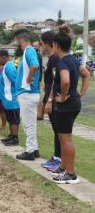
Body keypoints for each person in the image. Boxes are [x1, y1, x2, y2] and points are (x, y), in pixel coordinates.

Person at [51, 26, 90, 184]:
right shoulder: (73, 59)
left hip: (66, 104)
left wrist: (65, 96)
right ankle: (63, 166)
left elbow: (65, 80)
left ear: (57, 46)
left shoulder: (63, 62)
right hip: (74, 102)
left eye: (53, 45)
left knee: (66, 139)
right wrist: (80, 93)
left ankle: (71, 174)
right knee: (62, 137)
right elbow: (86, 74)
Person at [14, 29, 41, 161]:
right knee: (31, 123)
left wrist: (29, 78)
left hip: (27, 93)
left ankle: (30, 151)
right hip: (28, 93)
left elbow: (34, 65)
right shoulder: (29, 51)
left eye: (17, 41)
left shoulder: (29, 50)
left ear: (21, 40)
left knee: (28, 124)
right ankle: (34, 149)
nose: (17, 44)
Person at [39, 31, 61, 170]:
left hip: (54, 99)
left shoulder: (54, 59)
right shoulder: (52, 58)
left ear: (48, 43)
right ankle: (56, 157)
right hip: (51, 96)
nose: (41, 46)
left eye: (42, 43)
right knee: (56, 130)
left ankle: (58, 159)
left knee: (59, 131)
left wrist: (49, 100)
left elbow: (54, 81)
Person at [0, 50, 20, 146]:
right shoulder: (6, 66)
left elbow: (15, 81)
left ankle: (15, 138)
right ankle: (11, 136)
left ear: (3, 57)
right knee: (10, 119)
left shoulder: (9, 67)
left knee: (14, 119)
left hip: (11, 98)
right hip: (7, 98)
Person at [33, 41, 45, 121]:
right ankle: (39, 114)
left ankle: (39, 114)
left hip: (36, 79)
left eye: (36, 46)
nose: (34, 47)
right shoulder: (38, 55)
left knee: (37, 97)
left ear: (39, 47)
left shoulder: (37, 55)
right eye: (33, 46)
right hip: (37, 78)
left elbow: (37, 68)